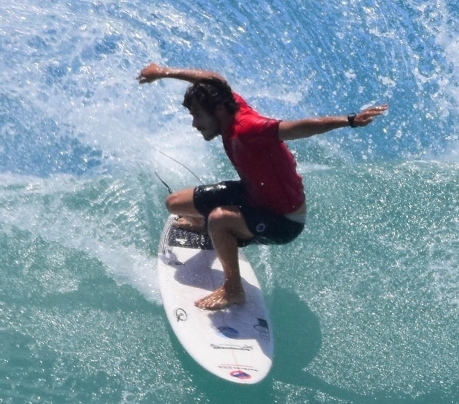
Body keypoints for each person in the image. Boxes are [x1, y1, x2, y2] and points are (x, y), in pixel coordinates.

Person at [137, 62, 388, 310]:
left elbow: (300, 128)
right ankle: (215, 230)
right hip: (252, 193)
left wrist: (350, 120)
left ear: (218, 111)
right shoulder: (227, 103)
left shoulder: (249, 128)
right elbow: (214, 79)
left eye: (198, 115)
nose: (194, 124)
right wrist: (163, 72)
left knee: (218, 219)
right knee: (175, 204)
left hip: (283, 219)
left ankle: (233, 290)